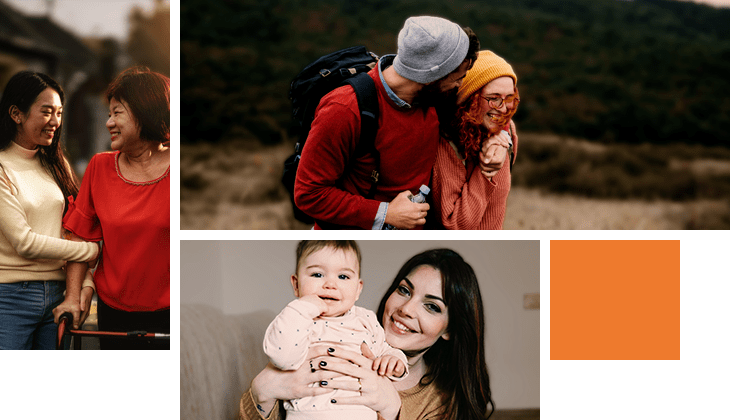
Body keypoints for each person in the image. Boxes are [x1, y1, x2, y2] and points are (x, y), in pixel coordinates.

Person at [240, 248, 494, 420]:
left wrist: (393, 410)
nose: (405, 309)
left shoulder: (441, 402)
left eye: (432, 306)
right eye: (404, 290)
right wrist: (263, 390)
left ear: (450, 329)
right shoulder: (328, 337)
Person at [294, 16, 479, 230]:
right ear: (431, 76)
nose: (460, 85)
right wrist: (385, 213)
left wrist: (503, 137)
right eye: (457, 78)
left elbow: (484, 109)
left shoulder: (433, 98)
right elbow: (309, 193)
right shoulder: (344, 109)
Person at [59, 67, 170, 350]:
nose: (109, 122)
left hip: (171, 316)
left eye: (117, 113)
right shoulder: (99, 167)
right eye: (109, 114)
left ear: (145, 112)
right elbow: (79, 239)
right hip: (114, 315)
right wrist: (73, 296)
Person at [0, 71, 99, 350]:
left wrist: (83, 283)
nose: (55, 122)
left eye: (59, 113)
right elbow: (25, 242)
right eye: (46, 112)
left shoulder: (56, 165)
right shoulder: (2, 168)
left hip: (57, 298)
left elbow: (71, 231)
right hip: (10, 299)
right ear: (16, 114)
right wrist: (92, 252)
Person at [263, 240, 407, 420]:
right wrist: (302, 309)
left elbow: (384, 349)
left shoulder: (366, 319)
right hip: (307, 415)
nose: (330, 284)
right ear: (296, 284)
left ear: (358, 289)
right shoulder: (296, 320)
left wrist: (395, 360)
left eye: (343, 277)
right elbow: (282, 358)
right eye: (317, 274)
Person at [431, 50, 520, 230]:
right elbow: (456, 224)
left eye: (508, 98)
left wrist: (502, 141)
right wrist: (486, 170)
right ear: (470, 98)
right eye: (493, 98)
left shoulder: (507, 129)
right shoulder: (446, 141)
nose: (503, 109)